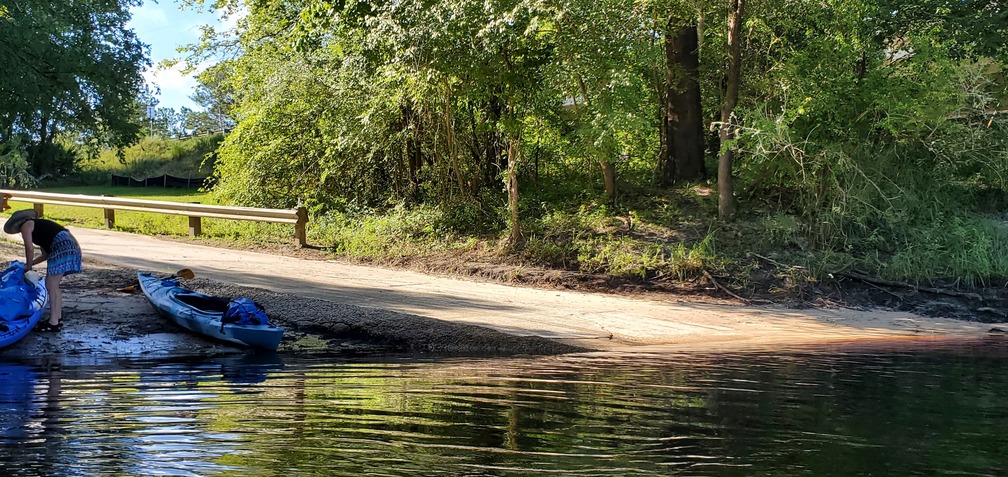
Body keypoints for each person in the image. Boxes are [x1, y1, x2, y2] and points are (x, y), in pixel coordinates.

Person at [3, 209, 82, 331]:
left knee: (51, 285)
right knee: (54, 285)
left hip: (62, 246)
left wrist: (28, 266)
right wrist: (28, 264)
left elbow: (29, 248)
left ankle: (53, 324)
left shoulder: (26, 225)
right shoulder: (39, 228)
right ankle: (57, 318)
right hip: (69, 244)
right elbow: (45, 255)